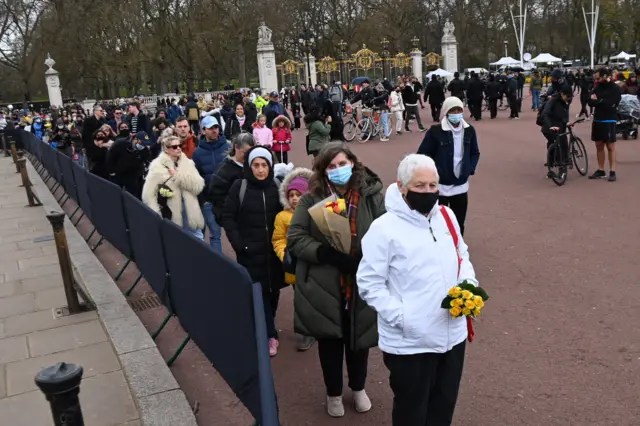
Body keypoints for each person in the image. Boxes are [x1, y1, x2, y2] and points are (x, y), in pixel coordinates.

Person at [357, 153, 478, 426]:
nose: (428, 192)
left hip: (452, 334)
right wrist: (403, 318)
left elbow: (462, 256)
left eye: (433, 186)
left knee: (443, 407)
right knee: (411, 412)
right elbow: (369, 283)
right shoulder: (383, 229)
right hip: (410, 343)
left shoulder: (446, 216)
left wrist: (469, 287)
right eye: (420, 186)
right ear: (402, 187)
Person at [287, 142, 386, 418]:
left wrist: (367, 257)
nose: (338, 170)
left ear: (353, 163)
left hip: (361, 279)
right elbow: (295, 237)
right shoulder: (311, 198)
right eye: (331, 166)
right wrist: (325, 253)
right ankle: (332, 393)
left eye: (343, 164)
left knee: (359, 339)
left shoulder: (371, 194)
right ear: (322, 170)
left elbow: (387, 231)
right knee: (330, 341)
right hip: (324, 283)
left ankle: (358, 388)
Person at [222, 146, 285, 356]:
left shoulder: (277, 186)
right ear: (249, 167)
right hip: (250, 253)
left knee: (273, 292)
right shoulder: (239, 187)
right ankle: (270, 335)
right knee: (261, 294)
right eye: (256, 165)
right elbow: (228, 217)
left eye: (264, 165)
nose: (260, 170)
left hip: (274, 253)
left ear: (270, 166)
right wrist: (240, 245)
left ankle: (267, 325)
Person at [417, 97, 480, 236]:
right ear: (446, 112)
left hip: (461, 186)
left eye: (459, 110)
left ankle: (457, 248)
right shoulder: (435, 131)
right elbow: (422, 155)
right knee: (438, 222)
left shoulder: (469, 130)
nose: (456, 113)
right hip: (441, 187)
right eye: (452, 110)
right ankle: (439, 248)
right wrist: (433, 174)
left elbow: (475, 152)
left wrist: (470, 168)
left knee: (458, 222)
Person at [271, 167, 316, 351]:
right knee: (301, 299)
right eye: (291, 195)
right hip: (296, 265)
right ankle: (306, 332)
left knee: (316, 297)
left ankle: (317, 327)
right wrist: (284, 255)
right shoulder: (282, 217)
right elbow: (278, 239)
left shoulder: (315, 212)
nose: (295, 199)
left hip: (314, 263)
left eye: (299, 194)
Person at [142, 136, 205, 239]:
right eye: (174, 147)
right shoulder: (157, 166)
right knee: (178, 243)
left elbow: (199, 186)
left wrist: (177, 176)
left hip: (191, 211)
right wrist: (157, 214)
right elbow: (148, 195)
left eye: (180, 145)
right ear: (166, 149)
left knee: (199, 239)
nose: (179, 148)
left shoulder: (188, 163)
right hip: (171, 213)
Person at [192, 115, 230, 251]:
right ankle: (219, 267)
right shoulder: (197, 153)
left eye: (216, 127)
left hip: (228, 198)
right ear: (203, 131)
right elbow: (197, 178)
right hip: (209, 201)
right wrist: (203, 200)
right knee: (215, 234)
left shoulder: (228, 147)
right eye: (210, 128)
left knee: (237, 233)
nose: (214, 130)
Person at [209, 132, 255, 223]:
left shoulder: (253, 165)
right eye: (245, 153)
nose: (249, 156)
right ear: (236, 147)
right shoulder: (223, 172)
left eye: (251, 152)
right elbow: (216, 198)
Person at [588, 67, 622, 181]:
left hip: (609, 119)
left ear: (604, 76)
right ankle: (601, 169)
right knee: (599, 145)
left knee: (610, 146)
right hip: (598, 119)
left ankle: (612, 171)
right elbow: (590, 102)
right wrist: (601, 101)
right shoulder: (597, 87)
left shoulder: (615, 88)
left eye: (598, 75)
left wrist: (600, 101)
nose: (596, 77)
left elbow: (612, 103)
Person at [108, 130, 152, 199]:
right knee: (115, 193)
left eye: (144, 144)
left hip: (133, 173)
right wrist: (111, 171)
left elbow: (143, 160)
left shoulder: (145, 151)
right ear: (135, 139)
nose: (142, 145)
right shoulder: (120, 144)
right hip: (118, 172)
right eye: (141, 143)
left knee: (133, 195)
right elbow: (110, 157)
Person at [541, 85, 573, 176]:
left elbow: (562, 115)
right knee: (558, 145)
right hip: (549, 127)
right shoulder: (552, 101)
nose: (568, 99)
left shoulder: (564, 101)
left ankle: (556, 166)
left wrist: (566, 122)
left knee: (559, 144)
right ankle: (558, 167)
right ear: (562, 94)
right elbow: (545, 114)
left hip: (560, 127)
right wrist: (551, 126)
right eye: (567, 97)